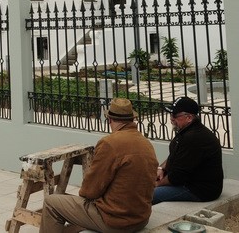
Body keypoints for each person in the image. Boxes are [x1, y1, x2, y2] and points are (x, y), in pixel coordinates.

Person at [40, 98, 158, 233]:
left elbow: (89, 191)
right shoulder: (146, 143)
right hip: (141, 219)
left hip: (115, 221)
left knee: (51, 203)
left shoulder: (109, 143)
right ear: (132, 120)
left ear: (109, 120)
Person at [153, 96, 223, 204]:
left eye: (175, 116)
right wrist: (161, 168)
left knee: (145, 195)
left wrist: (156, 184)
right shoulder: (187, 131)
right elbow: (175, 155)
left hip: (198, 189)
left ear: (189, 117)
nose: (171, 119)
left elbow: (177, 176)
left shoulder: (193, 138)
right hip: (186, 182)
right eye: (170, 115)